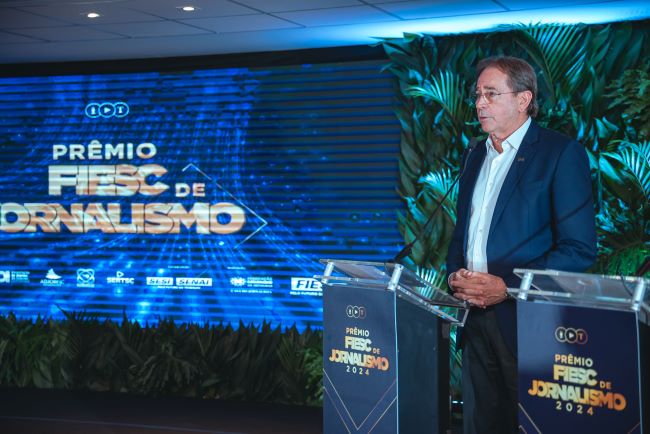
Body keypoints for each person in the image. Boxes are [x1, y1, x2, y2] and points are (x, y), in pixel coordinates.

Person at [446, 56, 597, 434]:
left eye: (491, 94)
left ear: (523, 99)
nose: (479, 103)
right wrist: (454, 275)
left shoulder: (559, 154)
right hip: (474, 319)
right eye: (477, 95)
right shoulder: (473, 154)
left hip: (529, 326)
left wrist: (508, 287)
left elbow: (578, 249)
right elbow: (463, 232)